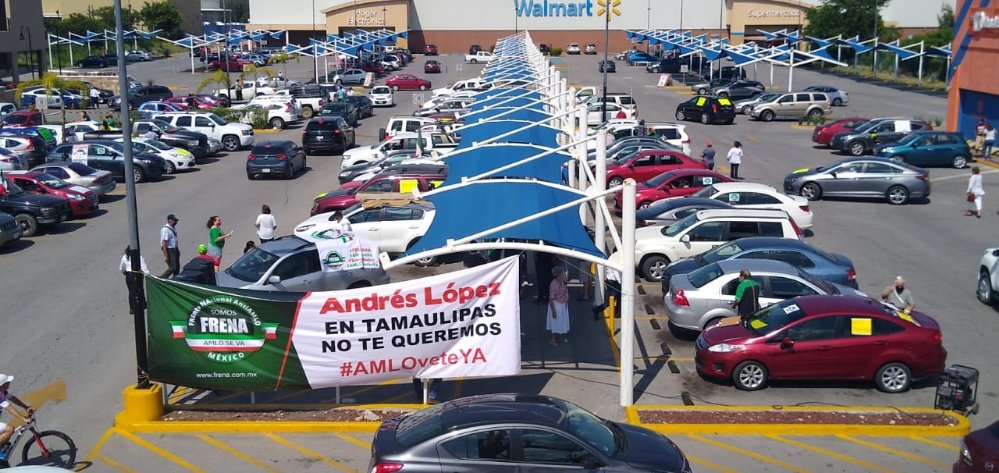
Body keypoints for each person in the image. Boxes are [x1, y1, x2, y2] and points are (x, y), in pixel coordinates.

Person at [0, 374, 34, 459]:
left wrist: (25, 407)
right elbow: (9, 408)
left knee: (5, 439)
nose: (9, 383)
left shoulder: (3, 391)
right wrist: (24, 419)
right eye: (7, 382)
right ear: (2, 385)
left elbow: (12, 398)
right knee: (9, 429)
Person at [547, 266, 571, 346]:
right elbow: (551, 298)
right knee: (556, 322)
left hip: (563, 303)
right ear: (558, 275)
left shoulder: (562, 281)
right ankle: (552, 339)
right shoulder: (553, 284)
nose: (563, 275)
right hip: (556, 304)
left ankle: (560, 337)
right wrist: (553, 311)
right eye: (562, 273)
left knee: (562, 321)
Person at [159, 214, 180, 278]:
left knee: (177, 267)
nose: (176, 222)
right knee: (173, 267)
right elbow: (164, 243)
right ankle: (162, 278)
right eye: (175, 221)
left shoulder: (172, 228)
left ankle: (176, 280)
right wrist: (166, 255)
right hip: (170, 250)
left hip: (175, 249)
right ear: (170, 221)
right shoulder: (165, 230)